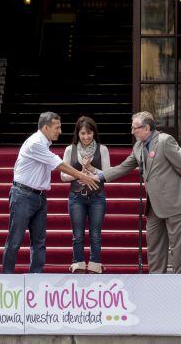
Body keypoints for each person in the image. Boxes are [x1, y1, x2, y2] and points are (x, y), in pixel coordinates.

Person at [1, 112, 99, 274]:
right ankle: (6, 280)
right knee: (14, 241)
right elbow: (58, 164)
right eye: (57, 127)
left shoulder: (44, 143)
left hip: (39, 196)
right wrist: (82, 176)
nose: (60, 131)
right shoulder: (35, 143)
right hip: (23, 195)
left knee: (39, 242)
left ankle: (36, 279)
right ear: (46, 128)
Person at [96, 112, 181, 274]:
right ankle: (156, 283)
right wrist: (98, 177)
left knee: (177, 247)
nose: (132, 131)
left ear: (147, 128)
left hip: (173, 201)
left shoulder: (165, 141)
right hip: (153, 205)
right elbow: (123, 167)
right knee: (154, 246)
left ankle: (178, 282)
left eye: (135, 128)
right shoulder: (138, 147)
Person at [61, 116, 110, 274]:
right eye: (83, 133)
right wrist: (79, 174)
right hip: (76, 196)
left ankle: (95, 263)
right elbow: (63, 176)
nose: (86, 137)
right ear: (78, 134)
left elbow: (108, 174)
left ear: (94, 133)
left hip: (97, 196)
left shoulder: (102, 149)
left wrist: (91, 169)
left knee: (95, 233)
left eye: (89, 133)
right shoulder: (70, 150)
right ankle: (79, 263)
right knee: (78, 234)